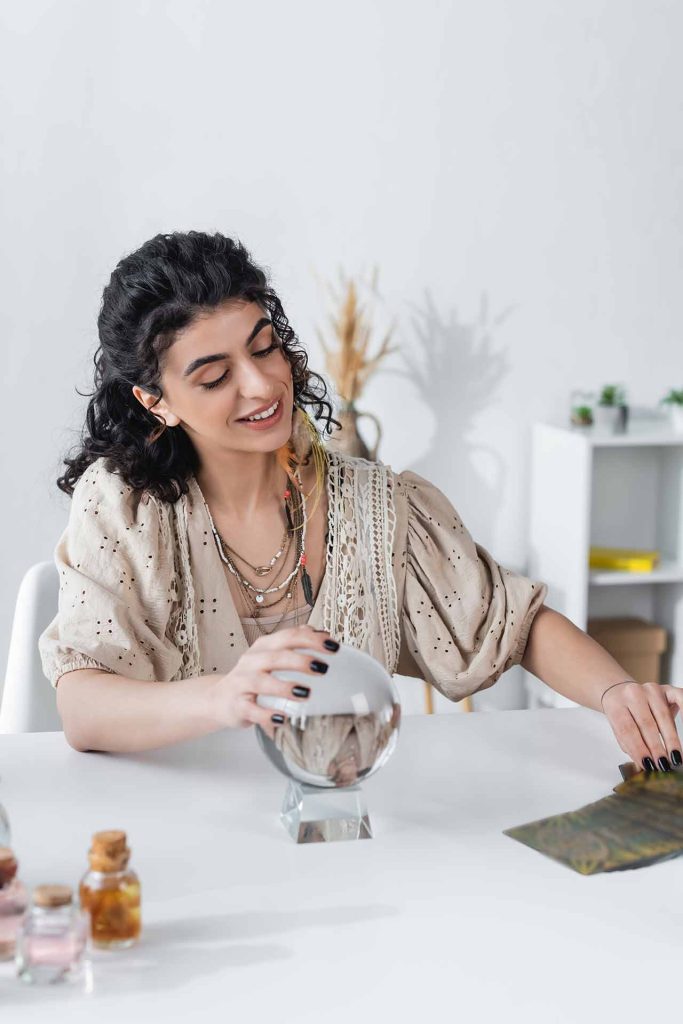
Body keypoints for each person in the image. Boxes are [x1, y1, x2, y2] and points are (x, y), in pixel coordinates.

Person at [39, 231, 683, 774]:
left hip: (347, 839)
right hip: (185, 840)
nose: (262, 384)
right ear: (156, 401)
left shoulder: (374, 505)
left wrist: (619, 693)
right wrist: (226, 698)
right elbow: (83, 709)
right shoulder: (126, 507)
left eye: (263, 347)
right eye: (214, 376)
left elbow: (508, 622)